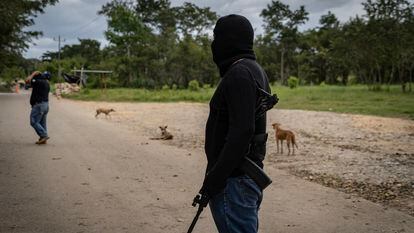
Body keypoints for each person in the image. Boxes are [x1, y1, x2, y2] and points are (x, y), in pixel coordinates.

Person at [198, 15, 272, 233]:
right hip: (241, 179)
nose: (214, 44)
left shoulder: (239, 74)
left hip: (234, 181)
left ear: (228, 40)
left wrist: (215, 179)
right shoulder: (253, 69)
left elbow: (242, 132)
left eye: (216, 37)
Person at [26, 71, 51, 144]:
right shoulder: (47, 84)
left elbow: (27, 80)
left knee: (33, 121)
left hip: (39, 105)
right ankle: (43, 139)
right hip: (46, 105)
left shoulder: (39, 81)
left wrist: (33, 73)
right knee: (42, 123)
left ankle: (44, 135)